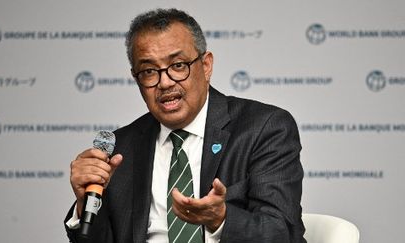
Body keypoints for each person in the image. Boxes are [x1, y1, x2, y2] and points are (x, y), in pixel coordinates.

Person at [65, 8, 306, 243]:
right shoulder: (122, 149)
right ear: (136, 78)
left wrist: (220, 220)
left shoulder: (264, 128)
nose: (165, 82)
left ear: (206, 65)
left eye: (178, 65)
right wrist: (84, 205)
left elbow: (281, 232)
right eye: (149, 71)